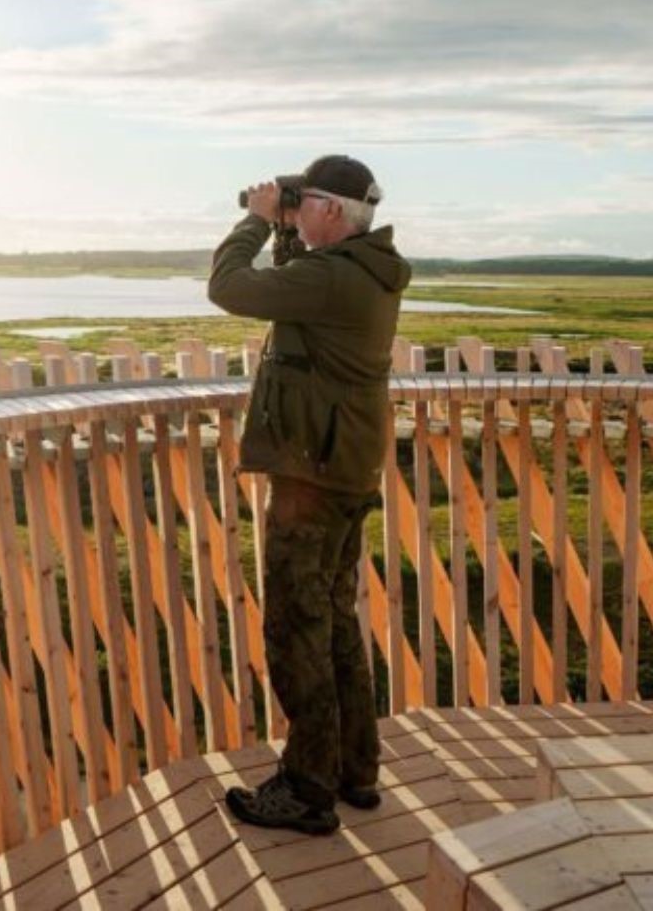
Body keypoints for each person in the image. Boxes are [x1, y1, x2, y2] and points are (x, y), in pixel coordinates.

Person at [208, 155, 411, 835]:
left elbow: (231, 287)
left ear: (331, 210)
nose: (293, 211)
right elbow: (297, 287)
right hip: (343, 468)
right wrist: (290, 228)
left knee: (297, 629)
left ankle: (306, 787)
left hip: (312, 478)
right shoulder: (361, 271)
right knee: (334, 624)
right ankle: (355, 769)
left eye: (304, 203)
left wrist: (257, 221)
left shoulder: (333, 278)